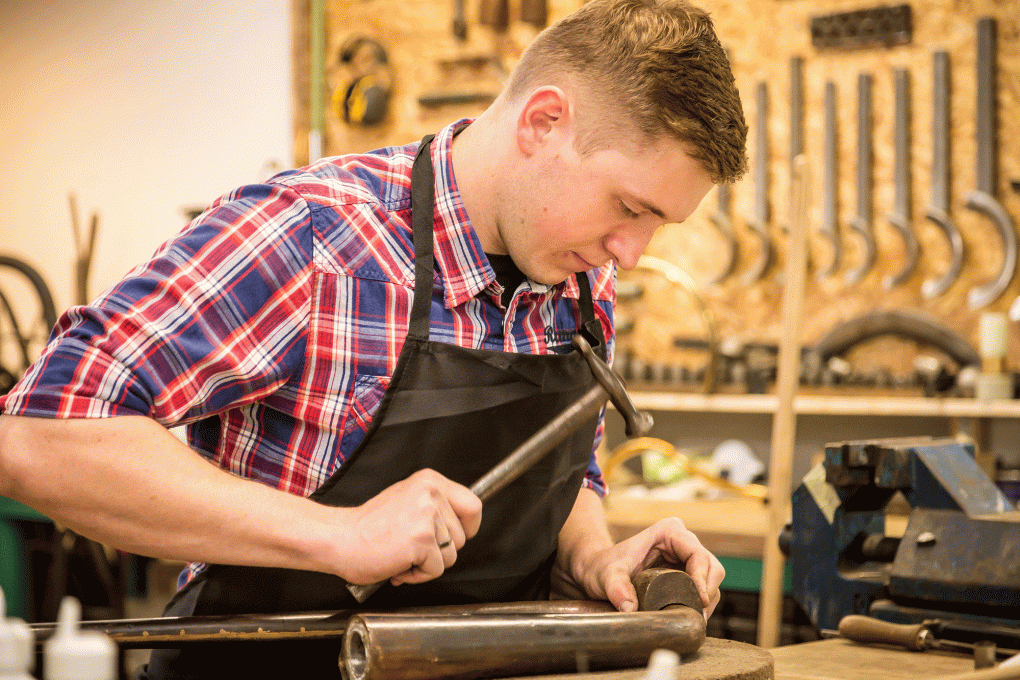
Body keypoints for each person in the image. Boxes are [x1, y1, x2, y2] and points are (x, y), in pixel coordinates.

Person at [0, 0, 747, 677]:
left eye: (656, 225)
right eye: (627, 206)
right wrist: (338, 536)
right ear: (543, 122)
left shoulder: (580, 275)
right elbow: (38, 438)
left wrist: (592, 555)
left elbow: (566, 471)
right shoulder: (313, 236)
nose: (632, 253)